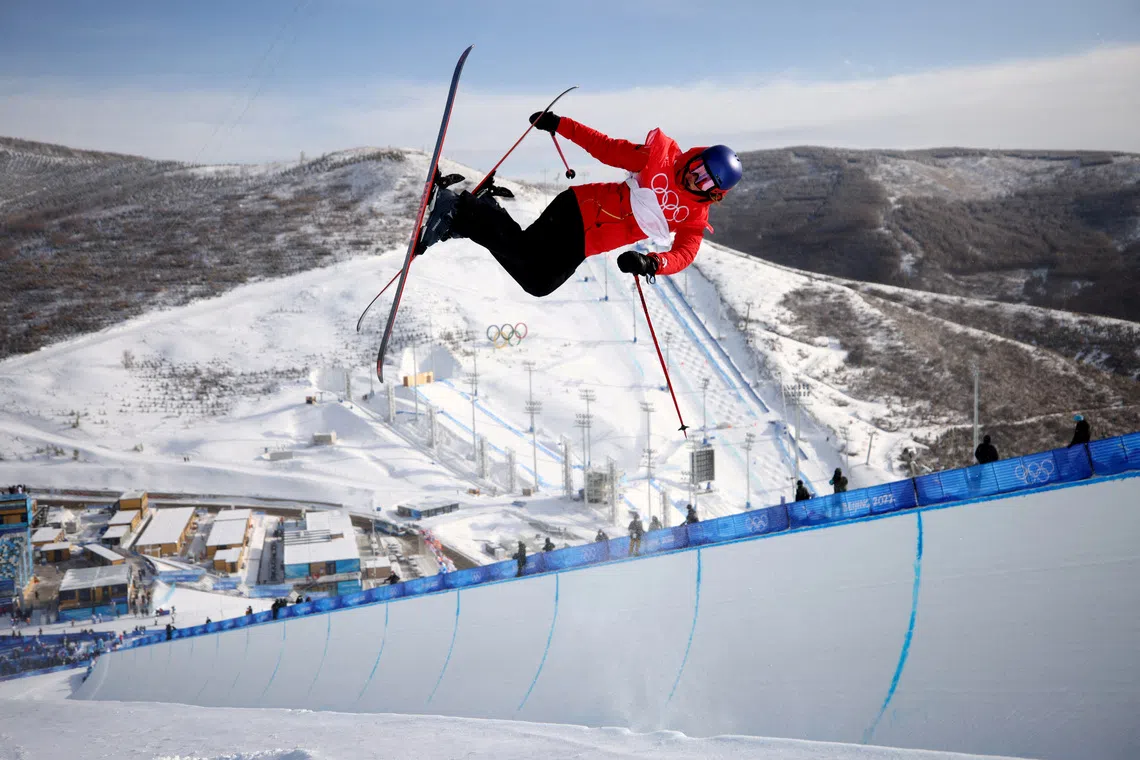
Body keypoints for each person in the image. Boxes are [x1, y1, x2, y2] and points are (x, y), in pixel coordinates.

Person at [417, 111, 744, 297]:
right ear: (696, 157)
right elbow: (606, 147)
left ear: (714, 193)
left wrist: (652, 263)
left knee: (538, 283)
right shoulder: (659, 159)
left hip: (590, 241)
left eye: (705, 182)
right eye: (698, 169)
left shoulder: (694, 216)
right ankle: (457, 210)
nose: (694, 179)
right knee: (524, 252)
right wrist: (562, 125)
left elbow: (684, 254)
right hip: (580, 207)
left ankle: (477, 214)